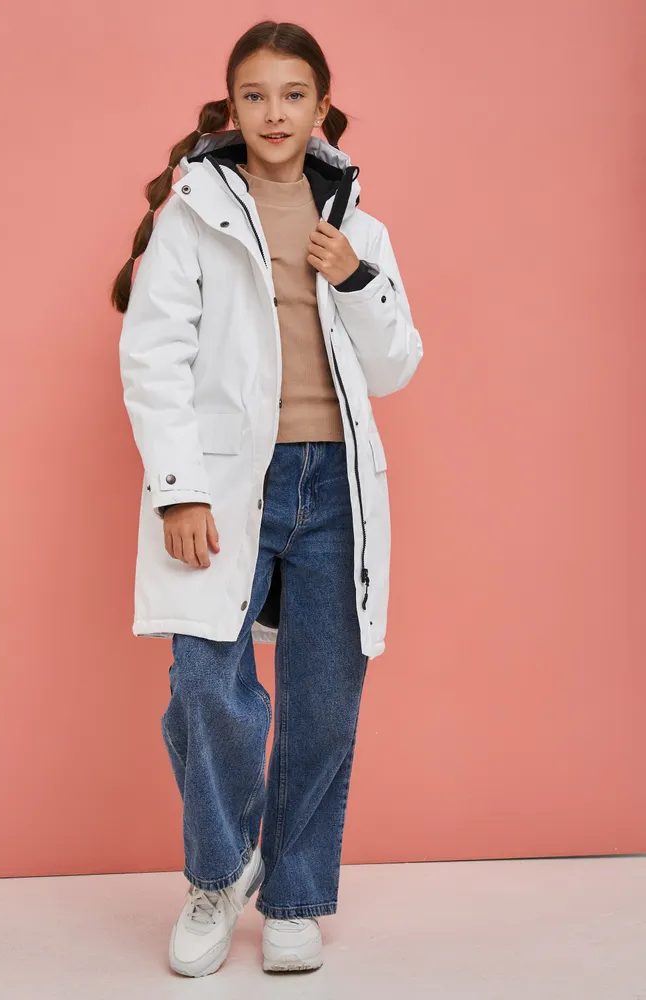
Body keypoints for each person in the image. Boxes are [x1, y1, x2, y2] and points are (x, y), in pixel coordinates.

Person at [113, 19, 423, 978]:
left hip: (334, 486)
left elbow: (396, 367)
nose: (275, 113)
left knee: (324, 701)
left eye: (293, 95)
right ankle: (219, 872)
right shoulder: (195, 212)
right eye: (255, 95)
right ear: (232, 106)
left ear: (322, 107)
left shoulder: (358, 228)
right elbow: (153, 357)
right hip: (227, 482)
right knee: (206, 685)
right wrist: (178, 490)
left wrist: (354, 278)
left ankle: (295, 898)